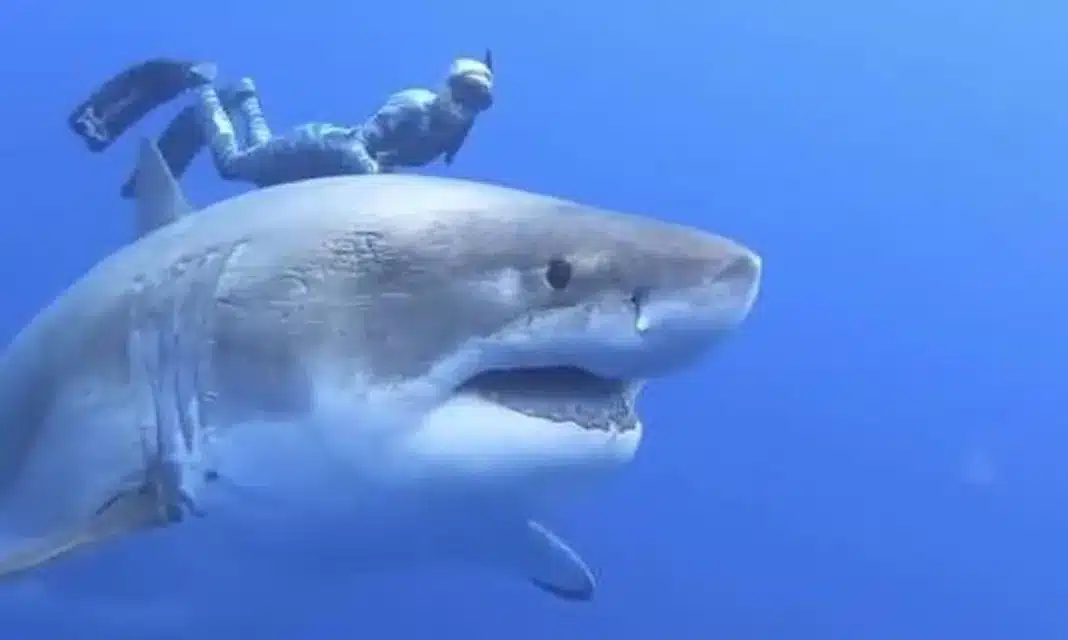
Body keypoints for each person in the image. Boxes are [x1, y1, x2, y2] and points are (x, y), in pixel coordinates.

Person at [192, 51, 494, 189]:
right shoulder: (414, 106)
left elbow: (389, 159)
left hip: (329, 173)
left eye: (478, 101)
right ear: (446, 86)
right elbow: (357, 144)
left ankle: (246, 97)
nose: (465, 107)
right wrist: (375, 180)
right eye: (463, 92)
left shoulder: (456, 132)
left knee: (262, 170)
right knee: (232, 166)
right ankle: (203, 85)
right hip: (317, 148)